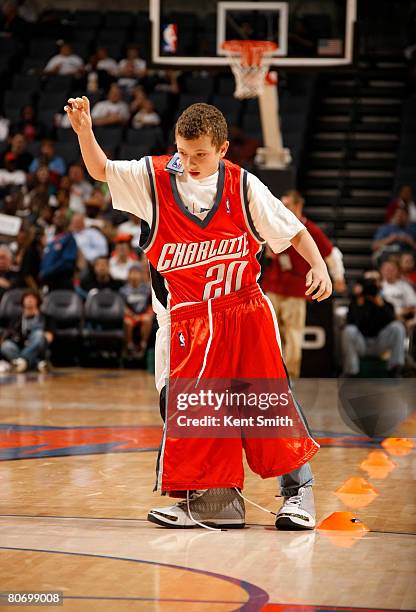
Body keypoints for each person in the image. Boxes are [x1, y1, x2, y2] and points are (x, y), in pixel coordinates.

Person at [64, 96, 332, 531]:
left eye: (200, 155)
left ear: (222, 149)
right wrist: (84, 131)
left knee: (266, 404)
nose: (188, 162)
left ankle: (298, 493)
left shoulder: (244, 186)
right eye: (182, 152)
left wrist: (318, 265)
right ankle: (215, 500)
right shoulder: (152, 179)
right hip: (183, 320)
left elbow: (294, 230)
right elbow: (101, 170)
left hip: (242, 308)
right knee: (185, 405)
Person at [262, 189, 346, 379]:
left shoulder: (310, 230)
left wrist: (338, 278)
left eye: (286, 205)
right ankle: (270, 376)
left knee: (292, 336)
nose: (282, 208)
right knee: (269, 335)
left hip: (296, 291)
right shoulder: (277, 225)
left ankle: (290, 377)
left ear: (298, 206)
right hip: (273, 287)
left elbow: (332, 255)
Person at [342, 275, 406, 377]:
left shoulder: (385, 303)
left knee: (398, 327)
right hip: (361, 344)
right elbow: (351, 322)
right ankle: (351, 371)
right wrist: (359, 306)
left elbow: (392, 320)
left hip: (379, 343)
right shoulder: (355, 303)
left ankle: (395, 368)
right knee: (349, 330)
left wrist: (381, 306)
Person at [0, 290, 52, 373]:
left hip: (39, 347)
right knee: (6, 346)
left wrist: (35, 340)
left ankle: (21, 361)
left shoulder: (46, 318)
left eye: (32, 298)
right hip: (21, 345)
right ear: (23, 301)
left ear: (38, 300)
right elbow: (11, 335)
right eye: (27, 298)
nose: (29, 300)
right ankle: (36, 363)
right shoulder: (17, 319)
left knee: (38, 334)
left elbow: (49, 338)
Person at [120, 263, 153, 357]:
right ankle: (129, 346)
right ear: (128, 275)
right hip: (130, 315)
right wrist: (131, 314)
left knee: (147, 319)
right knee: (127, 322)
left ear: (141, 275)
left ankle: (143, 345)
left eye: (137, 272)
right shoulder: (123, 290)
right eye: (132, 272)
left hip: (142, 314)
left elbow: (151, 304)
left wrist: (149, 314)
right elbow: (123, 306)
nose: (134, 275)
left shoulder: (146, 289)